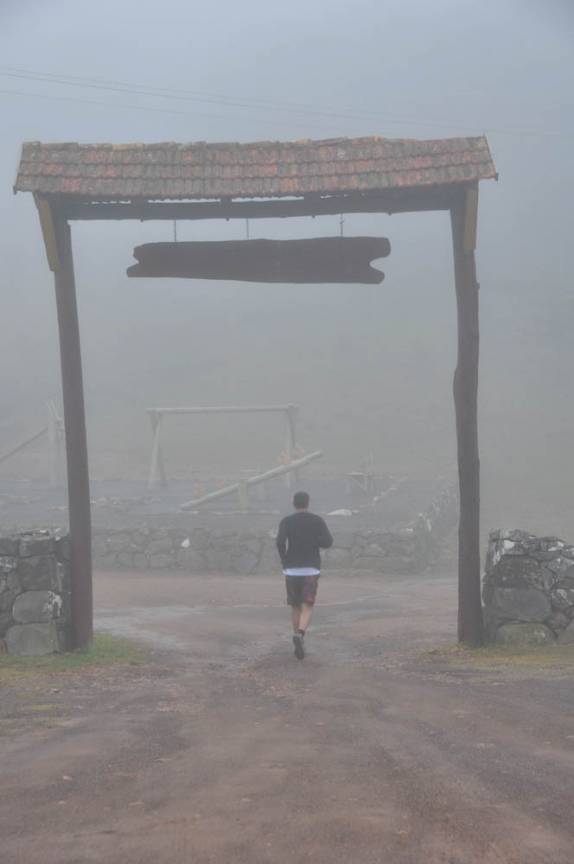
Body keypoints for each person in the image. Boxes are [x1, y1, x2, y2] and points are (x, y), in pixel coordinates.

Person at [276, 491, 333, 659]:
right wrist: (315, 540)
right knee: (307, 605)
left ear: (294, 503)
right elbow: (328, 542)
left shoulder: (287, 521)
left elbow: (279, 542)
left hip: (292, 569)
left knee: (295, 606)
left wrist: (284, 559)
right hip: (311, 569)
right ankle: (300, 634)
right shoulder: (317, 521)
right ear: (308, 503)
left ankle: (296, 637)